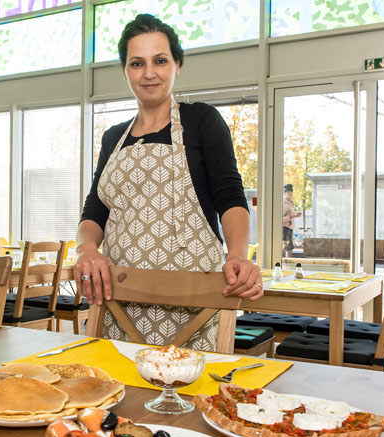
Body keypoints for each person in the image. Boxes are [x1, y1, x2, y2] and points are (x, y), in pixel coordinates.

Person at [75, 14, 262, 351]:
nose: (149, 73)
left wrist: (237, 255)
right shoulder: (112, 138)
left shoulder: (202, 121)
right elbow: (95, 211)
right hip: (120, 302)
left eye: (160, 60)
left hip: (193, 303)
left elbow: (229, 196)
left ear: (177, 64)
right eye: (137, 63)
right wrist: (87, 248)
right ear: (125, 70)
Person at [282, 184, 301, 258]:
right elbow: (279, 219)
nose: (291, 196)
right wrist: (291, 216)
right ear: (285, 194)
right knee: (287, 249)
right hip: (285, 228)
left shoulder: (290, 203)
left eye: (292, 195)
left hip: (289, 228)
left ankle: (288, 265)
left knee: (289, 249)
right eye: (289, 195)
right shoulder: (284, 204)